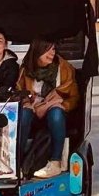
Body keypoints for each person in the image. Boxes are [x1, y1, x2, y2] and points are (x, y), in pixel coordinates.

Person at [17, 38, 79, 178]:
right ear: (38, 51)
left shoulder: (63, 68)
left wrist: (60, 104)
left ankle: (55, 163)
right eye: (48, 50)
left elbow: (74, 98)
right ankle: (17, 163)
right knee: (24, 114)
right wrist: (27, 103)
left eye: (54, 49)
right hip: (33, 110)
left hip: (55, 112)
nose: (52, 53)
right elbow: (19, 92)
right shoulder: (25, 69)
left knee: (56, 113)